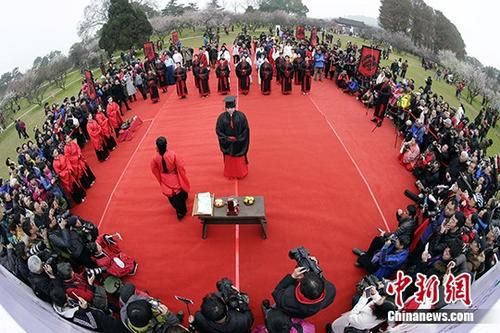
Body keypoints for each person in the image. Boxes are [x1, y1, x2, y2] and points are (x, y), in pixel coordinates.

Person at [272, 265, 336, 319]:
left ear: (300, 286)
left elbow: (276, 292)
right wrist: (314, 266)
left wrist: (292, 277)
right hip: (304, 314)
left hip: (285, 312)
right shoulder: (330, 290)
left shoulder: (287, 298)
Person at [150, 136, 190, 220]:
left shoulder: (154, 158)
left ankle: (179, 211)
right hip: (174, 176)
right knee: (179, 193)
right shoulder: (173, 155)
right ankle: (181, 210)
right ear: (166, 145)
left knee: (171, 197)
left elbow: (154, 169)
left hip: (164, 178)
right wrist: (181, 175)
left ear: (157, 146)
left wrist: (160, 178)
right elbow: (180, 166)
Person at [215, 96, 250, 179]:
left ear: (235, 107)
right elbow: (219, 131)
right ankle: (230, 174)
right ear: (225, 108)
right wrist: (227, 139)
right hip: (227, 143)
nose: (230, 109)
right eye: (228, 108)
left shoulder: (241, 116)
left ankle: (241, 173)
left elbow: (246, 130)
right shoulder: (221, 118)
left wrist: (239, 139)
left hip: (239, 142)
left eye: (232, 107)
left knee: (238, 160)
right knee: (229, 159)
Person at [189, 292, 254, 333]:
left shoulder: (199, 317)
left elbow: (200, 328)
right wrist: (242, 304)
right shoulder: (244, 319)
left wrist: (193, 323)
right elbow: (248, 313)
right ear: (226, 307)